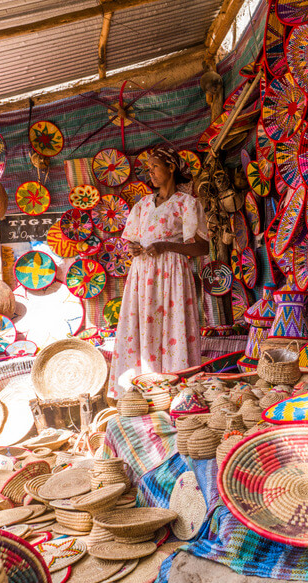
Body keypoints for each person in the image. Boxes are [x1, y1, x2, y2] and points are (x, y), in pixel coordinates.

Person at [108, 145, 209, 400]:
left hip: (172, 274)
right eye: (148, 168)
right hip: (143, 274)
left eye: (154, 167)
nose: (149, 172)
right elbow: (133, 239)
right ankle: (142, 389)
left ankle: (176, 391)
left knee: (172, 327)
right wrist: (134, 248)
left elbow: (202, 246)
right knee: (142, 326)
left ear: (171, 167)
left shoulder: (187, 204)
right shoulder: (142, 205)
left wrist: (165, 245)